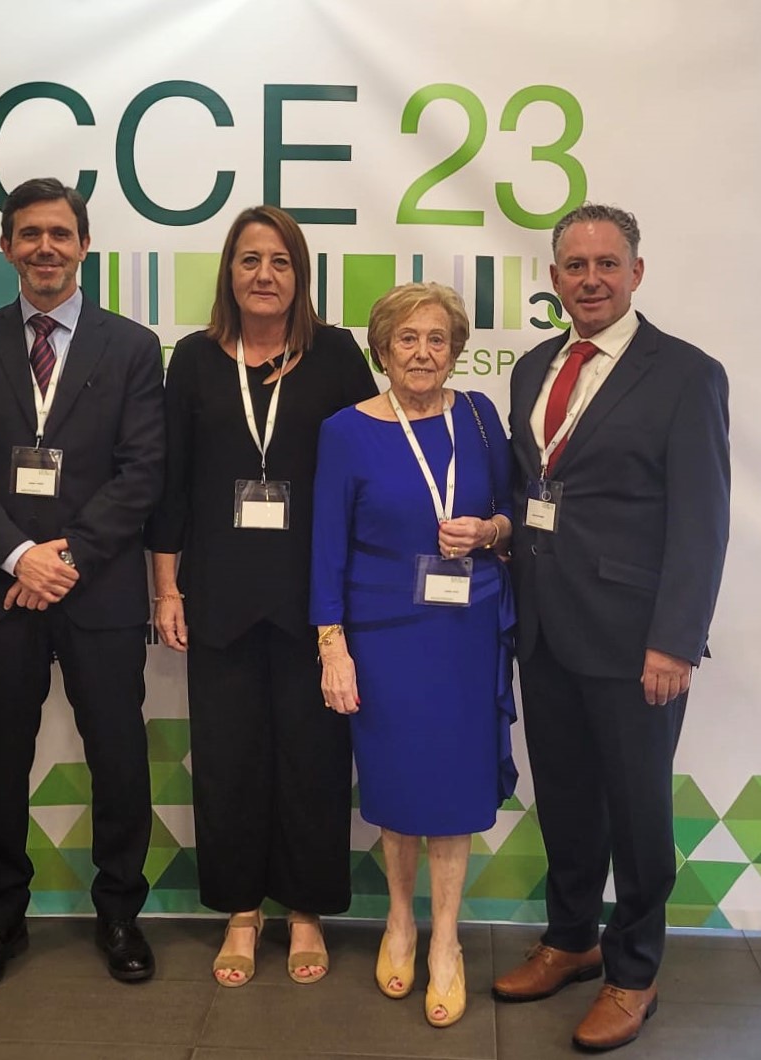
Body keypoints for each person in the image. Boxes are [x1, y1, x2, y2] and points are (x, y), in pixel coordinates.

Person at [493, 203, 730, 1051]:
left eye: (606, 264)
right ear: (555, 277)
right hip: (545, 628)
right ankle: (571, 940)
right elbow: (533, 490)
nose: (590, 279)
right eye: (575, 265)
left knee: (636, 813)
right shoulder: (534, 368)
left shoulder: (686, 374)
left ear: (636, 272)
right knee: (564, 799)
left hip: (636, 641)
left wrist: (675, 639)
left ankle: (633, 973)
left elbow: (703, 518)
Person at [0, 177, 164, 992]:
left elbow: (143, 472)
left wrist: (64, 559)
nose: (45, 248)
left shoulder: (132, 346)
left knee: (118, 755)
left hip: (98, 589)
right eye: (29, 234)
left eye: (60, 234)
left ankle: (120, 912)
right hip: (0, 589)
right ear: (7, 248)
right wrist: (18, 556)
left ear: (84, 246)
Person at [147, 205, 377, 987]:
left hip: (316, 597)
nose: (264, 275)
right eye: (250, 260)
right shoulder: (194, 359)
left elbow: (370, 465)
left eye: (280, 261)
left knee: (314, 759)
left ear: (299, 275)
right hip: (220, 593)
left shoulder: (336, 354)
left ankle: (306, 910)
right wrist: (167, 589)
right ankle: (241, 912)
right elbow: (172, 485)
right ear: (229, 272)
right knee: (229, 759)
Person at [311, 281, 516, 1027]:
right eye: (407, 338)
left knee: (454, 788)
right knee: (398, 785)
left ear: (456, 350)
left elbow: (514, 513)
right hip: (384, 637)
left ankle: (447, 941)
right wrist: (333, 647)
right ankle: (400, 921)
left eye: (437, 338)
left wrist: (489, 531)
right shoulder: (346, 431)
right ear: (382, 350)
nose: (423, 352)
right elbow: (326, 548)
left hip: (466, 635)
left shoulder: (481, 417)